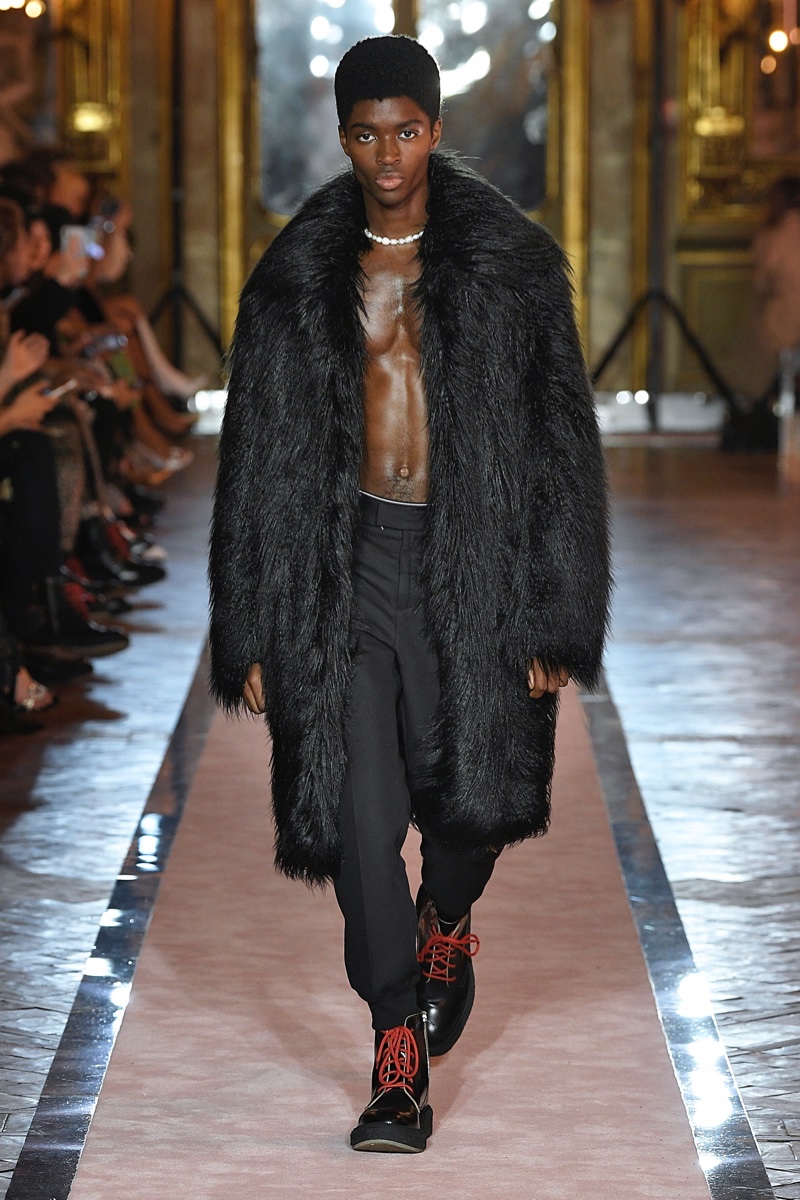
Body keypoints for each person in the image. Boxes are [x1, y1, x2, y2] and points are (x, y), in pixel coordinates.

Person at [209, 35, 610, 1154]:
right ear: (343, 138)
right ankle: (395, 1048)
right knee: (358, 816)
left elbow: (563, 448)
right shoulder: (295, 278)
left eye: (405, 130)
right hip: (340, 568)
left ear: (435, 129)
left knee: (467, 806)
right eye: (365, 134)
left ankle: (450, 916)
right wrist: (249, 622)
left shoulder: (512, 268)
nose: (387, 155)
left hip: (469, 562)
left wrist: (557, 613)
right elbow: (253, 458)